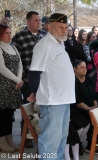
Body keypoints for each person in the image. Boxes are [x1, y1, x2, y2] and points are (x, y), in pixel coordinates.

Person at [27, 10, 75, 160]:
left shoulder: (60, 44)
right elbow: (34, 73)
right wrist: (36, 93)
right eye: (61, 27)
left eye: (66, 27)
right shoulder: (45, 45)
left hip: (63, 99)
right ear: (50, 27)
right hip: (52, 100)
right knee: (50, 141)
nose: (65, 30)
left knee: (61, 138)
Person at [12, 10, 47, 148]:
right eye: (36, 20)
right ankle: (25, 135)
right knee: (28, 111)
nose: (39, 22)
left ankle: (42, 134)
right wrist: (18, 79)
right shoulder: (19, 37)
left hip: (45, 80)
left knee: (43, 110)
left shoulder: (45, 36)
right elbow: (15, 60)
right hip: (27, 81)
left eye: (40, 20)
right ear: (28, 21)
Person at [0, 20, 23, 153]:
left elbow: (20, 64)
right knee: (2, 115)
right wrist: (17, 80)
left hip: (14, 87)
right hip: (3, 87)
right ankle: (2, 140)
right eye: (6, 33)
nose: (9, 35)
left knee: (10, 115)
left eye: (10, 33)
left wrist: (18, 80)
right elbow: (1, 68)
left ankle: (9, 139)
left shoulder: (13, 47)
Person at [71, 60, 98, 154]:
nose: (85, 69)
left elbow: (94, 95)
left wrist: (95, 105)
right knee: (90, 117)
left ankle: (93, 142)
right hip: (78, 108)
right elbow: (76, 101)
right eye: (82, 67)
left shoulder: (88, 79)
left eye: (85, 67)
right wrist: (89, 109)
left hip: (91, 106)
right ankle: (89, 144)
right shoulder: (73, 81)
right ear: (75, 69)